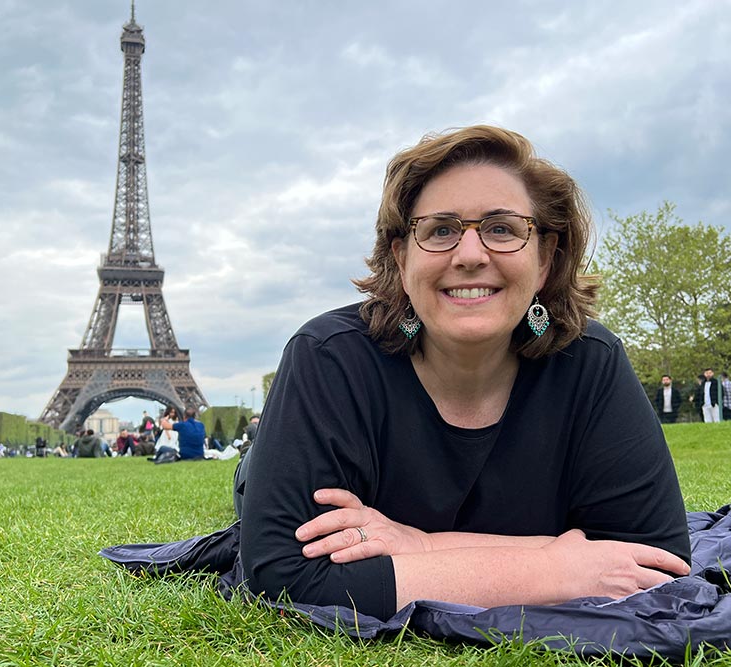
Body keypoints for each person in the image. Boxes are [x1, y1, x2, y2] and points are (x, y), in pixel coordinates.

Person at [238, 125, 690, 621]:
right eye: (440, 230)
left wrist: (423, 547)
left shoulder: (592, 362)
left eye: (502, 228)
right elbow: (280, 576)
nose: (471, 255)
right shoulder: (327, 356)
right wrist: (557, 569)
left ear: (544, 261)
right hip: (286, 459)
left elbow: (655, 562)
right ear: (402, 258)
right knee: (256, 482)